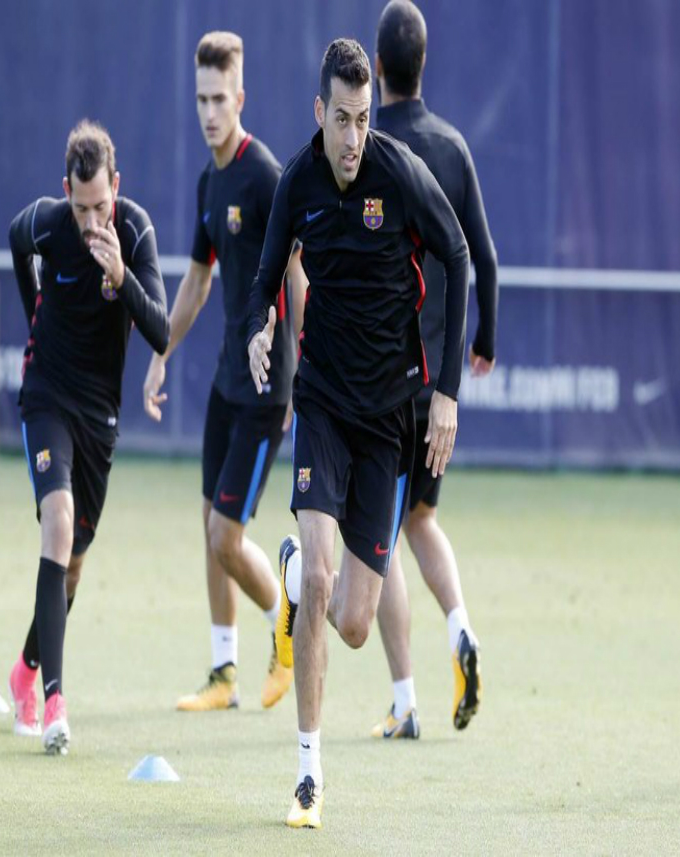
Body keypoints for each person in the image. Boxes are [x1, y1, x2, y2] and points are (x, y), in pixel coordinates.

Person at [246, 38, 470, 829]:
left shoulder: (400, 174)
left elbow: (459, 253)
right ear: (319, 111)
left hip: (389, 423)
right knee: (313, 591)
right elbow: (267, 273)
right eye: (340, 119)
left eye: (363, 119)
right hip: (324, 407)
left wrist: (445, 392)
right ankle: (308, 773)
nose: (351, 137)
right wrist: (256, 330)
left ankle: (298, 562)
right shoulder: (299, 183)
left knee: (348, 621)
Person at [143, 31, 305, 712]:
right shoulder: (211, 181)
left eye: (221, 98)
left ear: (241, 97)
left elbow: (298, 277)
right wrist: (161, 350)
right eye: (202, 99)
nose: (210, 111)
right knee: (209, 519)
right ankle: (224, 673)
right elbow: (198, 281)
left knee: (225, 537)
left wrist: (301, 370)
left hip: (269, 387)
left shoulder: (265, 175)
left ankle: (286, 623)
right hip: (223, 381)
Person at [7, 120, 169, 754]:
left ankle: (23, 668)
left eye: (101, 205)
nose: (93, 219)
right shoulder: (50, 223)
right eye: (82, 208)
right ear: (65, 194)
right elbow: (15, 241)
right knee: (58, 521)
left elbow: (160, 331)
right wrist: (35, 316)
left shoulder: (134, 231)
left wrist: (122, 277)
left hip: (99, 416)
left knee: (72, 567)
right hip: (46, 393)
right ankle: (54, 701)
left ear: (116, 189)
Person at [370, 0, 498, 740]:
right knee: (421, 517)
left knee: (379, 535)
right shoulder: (450, 146)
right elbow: (483, 255)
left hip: (385, 379)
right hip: (440, 380)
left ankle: (405, 697)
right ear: (425, 64)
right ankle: (460, 629)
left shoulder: (365, 147)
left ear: (377, 68)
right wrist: (486, 339)